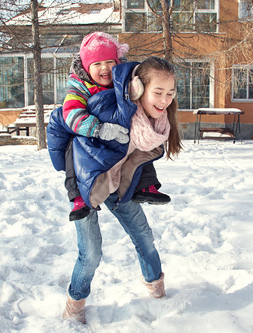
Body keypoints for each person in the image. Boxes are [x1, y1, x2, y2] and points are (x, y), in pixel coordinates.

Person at [47, 56, 182, 324]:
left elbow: (138, 155)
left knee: (144, 236)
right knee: (92, 252)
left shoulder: (155, 123)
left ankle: (158, 292)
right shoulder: (104, 105)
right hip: (89, 187)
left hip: (119, 186)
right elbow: (58, 120)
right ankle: (74, 306)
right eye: (158, 92)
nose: (165, 100)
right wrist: (62, 162)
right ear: (138, 89)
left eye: (170, 93)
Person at [60, 32, 171, 221]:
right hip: (90, 138)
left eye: (110, 61)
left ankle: (146, 185)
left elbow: (135, 94)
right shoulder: (80, 87)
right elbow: (71, 114)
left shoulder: (122, 81)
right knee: (73, 149)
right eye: (97, 64)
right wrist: (98, 129)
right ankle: (78, 196)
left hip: (120, 136)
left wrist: (136, 91)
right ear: (87, 67)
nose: (104, 68)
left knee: (141, 139)